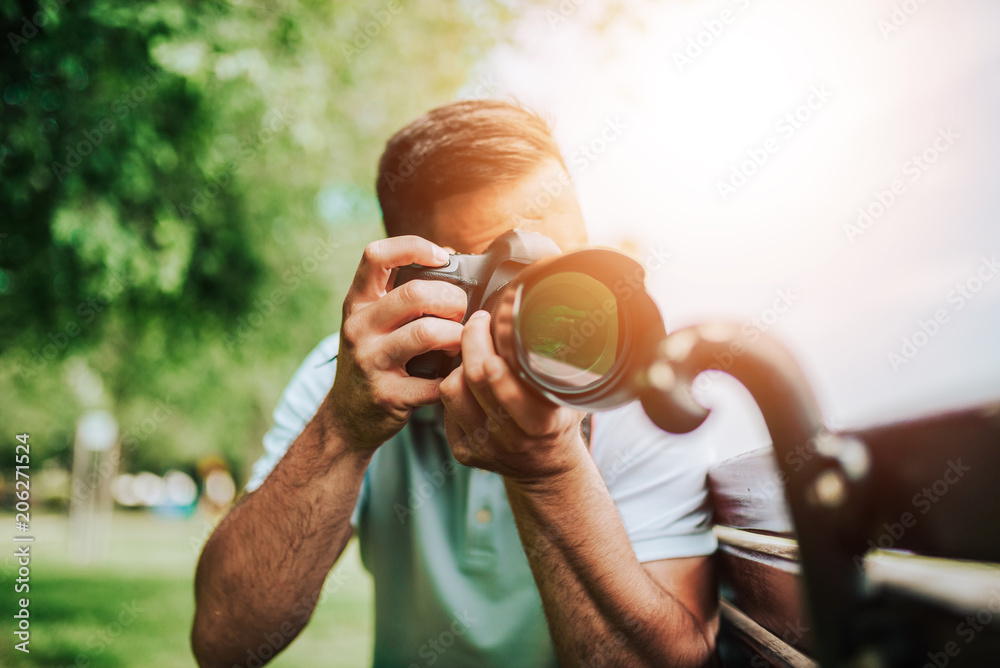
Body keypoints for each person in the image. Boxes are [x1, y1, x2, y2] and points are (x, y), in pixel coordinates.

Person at [192, 100, 719, 668]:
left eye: (569, 265)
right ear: (418, 284)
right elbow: (225, 643)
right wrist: (344, 429)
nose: (565, 313)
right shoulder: (357, 378)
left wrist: (550, 473)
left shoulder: (643, 386)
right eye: (511, 274)